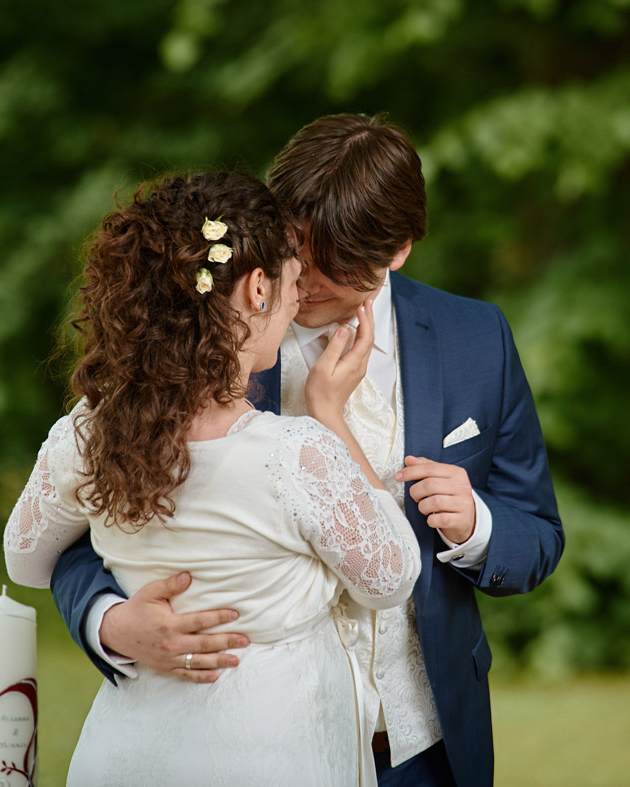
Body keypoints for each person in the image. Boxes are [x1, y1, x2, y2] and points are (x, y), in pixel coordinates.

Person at [50, 114, 565, 786]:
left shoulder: (477, 338)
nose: (308, 280)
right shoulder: (192, 340)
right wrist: (111, 622)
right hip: (260, 748)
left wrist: (477, 526)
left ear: (400, 249)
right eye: (298, 250)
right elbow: (79, 528)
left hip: (427, 747)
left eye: (338, 266)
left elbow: (538, 531)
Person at [3, 171, 421, 785]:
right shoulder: (296, 454)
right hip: (268, 754)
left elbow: (23, 559)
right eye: (293, 281)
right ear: (257, 289)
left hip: (128, 754)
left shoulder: (87, 435)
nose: (295, 300)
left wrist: (114, 617)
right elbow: (392, 577)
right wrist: (331, 416)